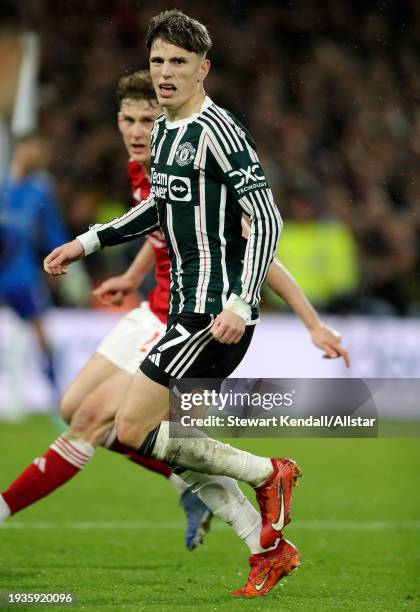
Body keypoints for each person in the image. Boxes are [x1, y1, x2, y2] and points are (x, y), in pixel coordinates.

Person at [43, 10, 348, 597]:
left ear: (203, 68)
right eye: (158, 60)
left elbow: (266, 218)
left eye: (178, 62)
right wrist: (86, 243)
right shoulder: (167, 131)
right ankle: (269, 544)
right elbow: (158, 209)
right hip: (183, 308)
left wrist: (238, 302)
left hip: (214, 315)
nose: (165, 72)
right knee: (149, 435)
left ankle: (269, 475)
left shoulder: (218, 130)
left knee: (130, 428)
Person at [0, 72, 212, 552]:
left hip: (176, 317)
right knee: (74, 408)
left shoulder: (185, 169)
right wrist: (132, 275)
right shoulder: (141, 169)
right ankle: (189, 480)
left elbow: (236, 235)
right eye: (130, 120)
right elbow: (161, 233)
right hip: (148, 305)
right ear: (119, 121)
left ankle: (4, 507)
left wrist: (295, 315)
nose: (137, 131)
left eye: (147, 121)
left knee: (91, 419)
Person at [0, 133, 69, 402]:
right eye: (35, 149)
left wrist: (63, 256)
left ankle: (56, 395)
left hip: (21, 273)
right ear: (21, 149)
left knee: (40, 332)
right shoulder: (4, 181)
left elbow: (51, 227)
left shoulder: (41, 187)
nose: (41, 156)